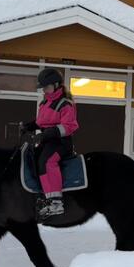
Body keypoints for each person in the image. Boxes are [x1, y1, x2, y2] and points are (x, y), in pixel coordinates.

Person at [23, 68, 79, 220]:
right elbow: (41, 122)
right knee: (31, 159)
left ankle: (56, 202)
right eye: (43, 87)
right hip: (47, 141)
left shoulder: (65, 103)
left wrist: (49, 133)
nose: (44, 90)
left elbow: (69, 126)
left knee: (47, 162)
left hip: (61, 142)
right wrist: (30, 126)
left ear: (56, 85)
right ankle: (42, 197)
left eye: (46, 86)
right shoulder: (45, 102)